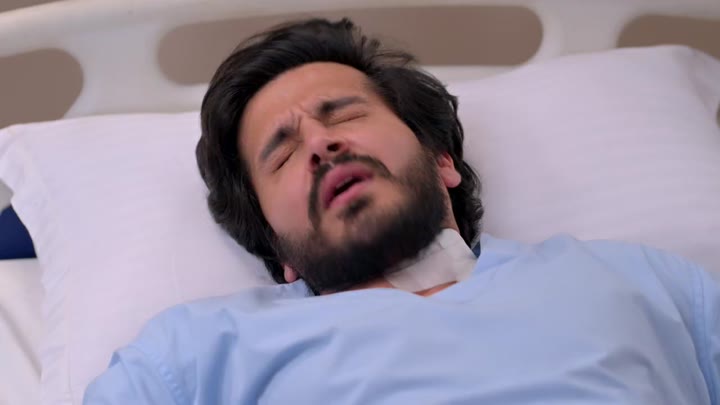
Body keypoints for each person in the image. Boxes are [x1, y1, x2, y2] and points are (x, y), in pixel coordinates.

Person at [84, 18, 719, 404]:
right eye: (282, 153)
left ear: (441, 160)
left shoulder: (645, 285)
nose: (320, 144)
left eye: (345, 115)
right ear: (276, 248)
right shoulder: (197, 354)